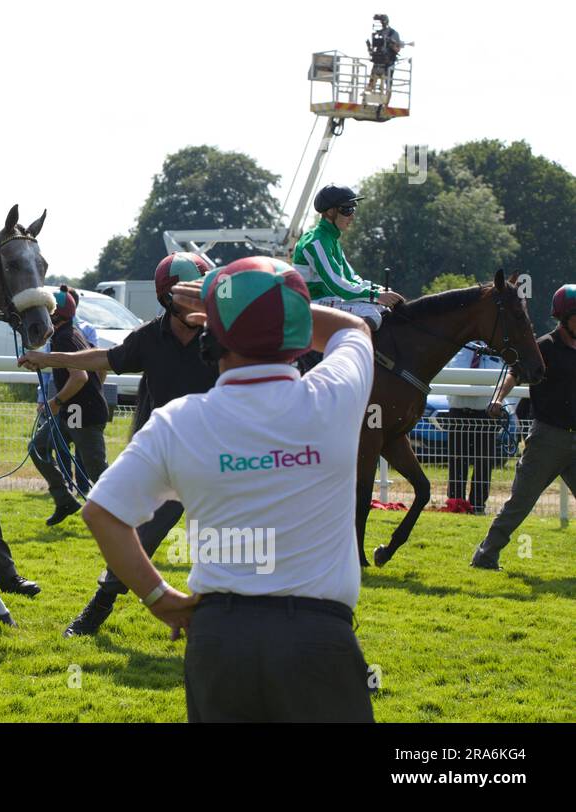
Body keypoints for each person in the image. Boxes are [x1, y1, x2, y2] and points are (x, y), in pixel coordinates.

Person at [83, 257, 376, 722]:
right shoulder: (333, 395)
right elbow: (355, 329)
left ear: (210, 335)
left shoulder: (178, 421)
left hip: (219, 640)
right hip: (318, 640)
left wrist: (158, 597)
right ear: (297, 334)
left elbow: (102, 513)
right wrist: (273, 299)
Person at [19, 252, 216, 635]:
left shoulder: (222, 336)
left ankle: (242, 620)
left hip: (220, 459)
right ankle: (99, 607)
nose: (202, 300)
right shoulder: (149, 337)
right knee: (142, 536)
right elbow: (105, 358)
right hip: (172, 460)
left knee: (239, 542)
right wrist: (49, 358)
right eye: (193, 293)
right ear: (168, 298)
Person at [471, 284, 576, 570]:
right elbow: (515, 375)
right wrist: (498, 398)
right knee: (521, 502)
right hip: (547, 441)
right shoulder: (544, 347)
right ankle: (486, 555)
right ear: (564, 318)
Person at [28, 286, 110, 527]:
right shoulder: (72, 334)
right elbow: (99, 370)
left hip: (83, 415)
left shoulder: (65, 338)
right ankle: (64, 499)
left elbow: (80, 377)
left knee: (98, 473)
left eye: (46, 312)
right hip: (73, 413)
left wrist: (56, 402)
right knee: (38, 447)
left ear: (56, 316)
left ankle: (125, 517)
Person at [292, 184, 403, 330]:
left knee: (382, 309)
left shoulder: (330, 239)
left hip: (330, 300)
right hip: (313, 303)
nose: (352, 216)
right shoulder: (316, 241)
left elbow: (351, 278)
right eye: (347, 210)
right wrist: (375, 295)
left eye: (353, 209)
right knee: (372, 314)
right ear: (331, 212)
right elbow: (337, 284)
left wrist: (378, 290)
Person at [444, 343, 506, 514]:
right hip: (458, 412)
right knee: (457, 461)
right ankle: (455, 504)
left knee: (484, 462)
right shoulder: (460, 346)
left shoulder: (498, 349)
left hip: (486, 415)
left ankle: (478, 506)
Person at [365, 13, 404, 102]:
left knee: (388, 85)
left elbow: (398, 49)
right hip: (378, 61)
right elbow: (374, 49)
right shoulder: (377, 34)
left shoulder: (393, 33)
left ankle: (386, 104)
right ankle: (368, 98)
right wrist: (369, 48)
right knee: (371, 83)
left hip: (388, 63)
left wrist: (391, 43)